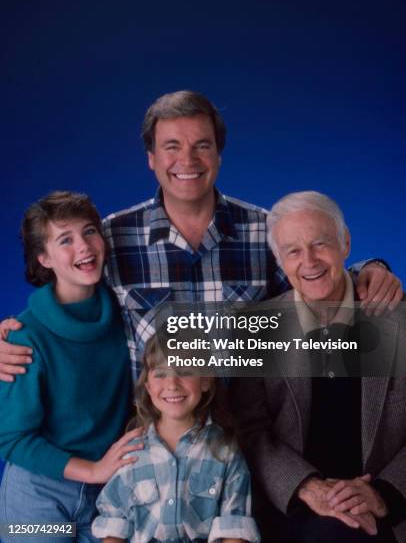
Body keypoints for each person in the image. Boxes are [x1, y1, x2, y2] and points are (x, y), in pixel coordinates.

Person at [0, 91, 402, 385]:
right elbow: (64, 305)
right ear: (152, 159)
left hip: (252, 441)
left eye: (201, 146)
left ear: (219, 155)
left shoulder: (264, 230)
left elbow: (315, 277)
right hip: (154, 452)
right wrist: (15, 334)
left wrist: (370, 269)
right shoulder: (112, 238)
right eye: (171, 147)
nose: (187, 161)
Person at [230, 191, 406, 543]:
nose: (309, 261)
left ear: (346, 244)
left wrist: (384, 494)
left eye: (320, 243)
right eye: (293, 251)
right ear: (280, 261)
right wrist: (306, 487)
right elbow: (250, 430)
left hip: (385, 512)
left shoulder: (398, 319)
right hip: (291, 509)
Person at [0, 191, 138, 542]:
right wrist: (92, 470)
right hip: (37, 495)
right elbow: (11, 439)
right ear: (44, 258)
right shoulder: (24, 336)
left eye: (89, 231)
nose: (84, 246)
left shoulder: (128, 316)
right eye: (66, 239)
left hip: (108, 494)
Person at [91, 333, 260, 543]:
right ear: (148, 387)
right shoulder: (131, 451)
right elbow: (114, 525)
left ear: (205, 381)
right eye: (161, 374)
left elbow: (235, 528)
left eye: (185, 371)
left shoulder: (224, 450)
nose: (172, 384)